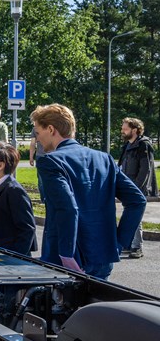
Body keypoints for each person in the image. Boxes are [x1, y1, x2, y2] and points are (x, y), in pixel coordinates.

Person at [32, 104, 146, 279]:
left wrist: (66, 255)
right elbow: (137, 201)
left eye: (37, 133)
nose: (37, 139)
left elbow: (68, 208)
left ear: (51, 129)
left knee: (63, 306)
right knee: (97, 305)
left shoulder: (50, 161)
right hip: (102, 255)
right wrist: (118, 243)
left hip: (65, 259)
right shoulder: (104, 158)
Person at [0, 142, 36, 256]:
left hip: (10, 262)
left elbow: (27, 229)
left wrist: (15, 258)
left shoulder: (14, 191)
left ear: (0, 165)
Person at [118, 117, 156, 259]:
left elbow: (145, 170)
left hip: (137, 188)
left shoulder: (143, 145)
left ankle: (137, 247)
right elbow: (120, 167)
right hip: (127, 186)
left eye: (125, 128)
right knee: (129, 215)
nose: (122, 131)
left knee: (135, 217)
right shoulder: (126, 146)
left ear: (134, 130)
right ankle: (129, 245)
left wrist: (137, 188)